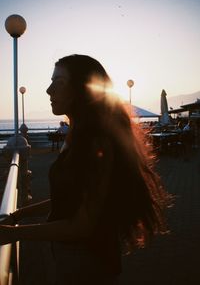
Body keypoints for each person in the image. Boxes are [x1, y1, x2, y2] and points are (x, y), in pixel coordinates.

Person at [0, 54, 170, 284]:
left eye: (59, 82)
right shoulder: (78, 135)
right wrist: (19, 215)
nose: (49, 90)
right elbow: (72, 197)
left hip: (88, 264)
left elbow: (82, 225)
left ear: (83, 90)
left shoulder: (96, 142)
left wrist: (14, 233)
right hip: (70, 258)